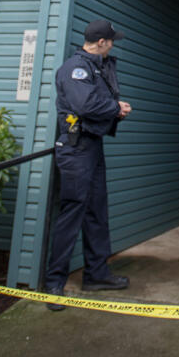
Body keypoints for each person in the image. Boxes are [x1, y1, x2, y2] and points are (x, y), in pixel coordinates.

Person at [43, 19, 133, 309]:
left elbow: (95, 102)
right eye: (112, 40)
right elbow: (85, 105)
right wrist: (115, 108)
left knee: (96, 211)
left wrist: (114, 111)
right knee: (72, 214)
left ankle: (96, 274)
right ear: (102, 42)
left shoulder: (95, 67)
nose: (113, 44)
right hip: (76, 150)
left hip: (91, 146)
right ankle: (54, 284)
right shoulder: (76, 68)